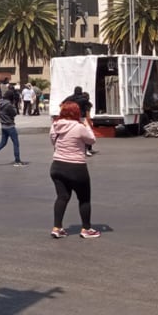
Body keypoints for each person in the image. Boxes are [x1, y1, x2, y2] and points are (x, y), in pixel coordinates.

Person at [49, 101, 100, 239]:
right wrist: (87, 125)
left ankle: (57, 227)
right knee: (84, 199)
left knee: (62, 197)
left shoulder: (55, 126)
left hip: (57, 165)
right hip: (76, 167)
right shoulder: (79, 127)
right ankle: (86, 229)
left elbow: (53, 142)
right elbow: (92, 140)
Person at [0, 89, 26, 167]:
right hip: (10, 126)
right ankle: (17, 161)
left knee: (3, 143)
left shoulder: (1, 103)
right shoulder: (9, 104)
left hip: (3, 126)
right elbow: (14, 113)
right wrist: (14, 105)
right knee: (16, 143)